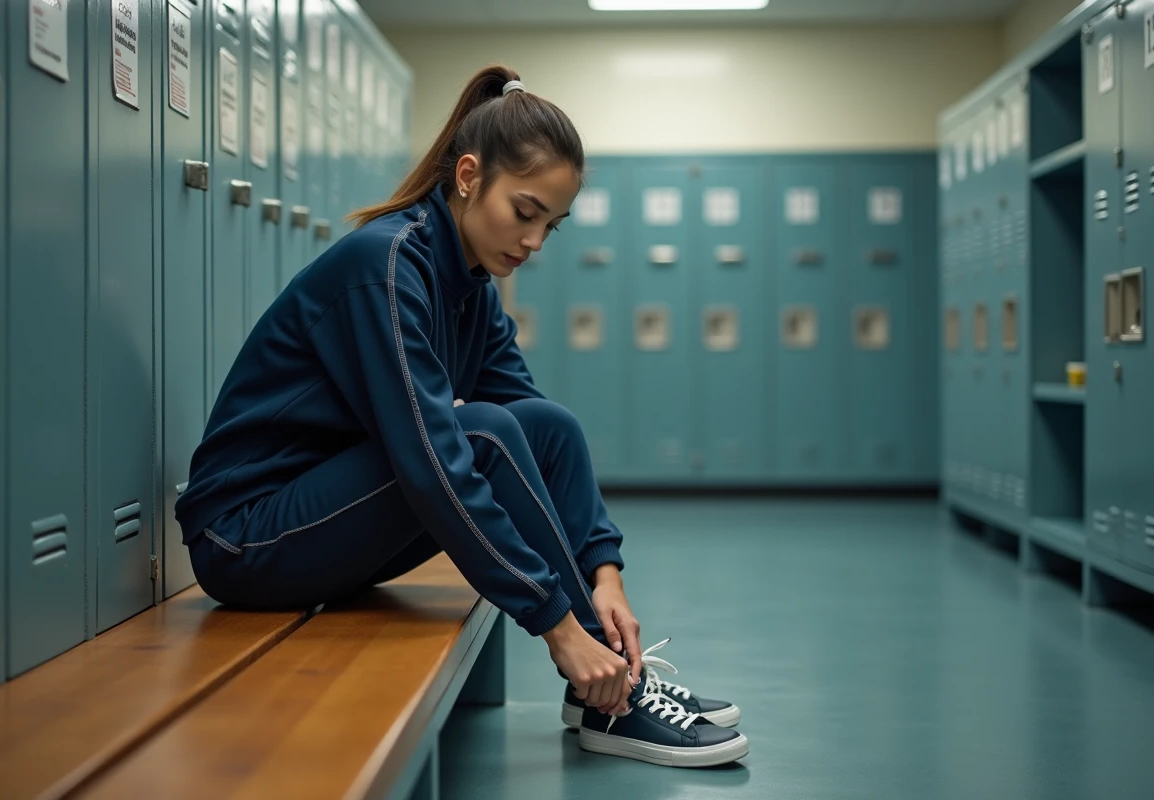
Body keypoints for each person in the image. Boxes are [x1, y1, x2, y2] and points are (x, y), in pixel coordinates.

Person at [174, 65, 748, 769]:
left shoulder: (470, 286)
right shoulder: (383, 267)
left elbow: (539, 429)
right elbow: (431, 459)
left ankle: (608, 683)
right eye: (526, 211)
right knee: (479, 435)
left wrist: (605, 572)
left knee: (545, 424)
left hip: (329, 528)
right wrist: (557, 626)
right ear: (470, 176)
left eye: (552, 225)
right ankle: (610, 691)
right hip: (247, 539)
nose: (534, 242)